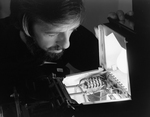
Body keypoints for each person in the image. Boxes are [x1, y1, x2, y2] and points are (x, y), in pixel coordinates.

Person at [0, 0, 131, 106]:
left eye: (72, 30)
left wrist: (130, 38)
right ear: (26, 27)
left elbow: (117, 72)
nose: (66, 44)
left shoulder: (75, 37)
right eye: (52, 33)